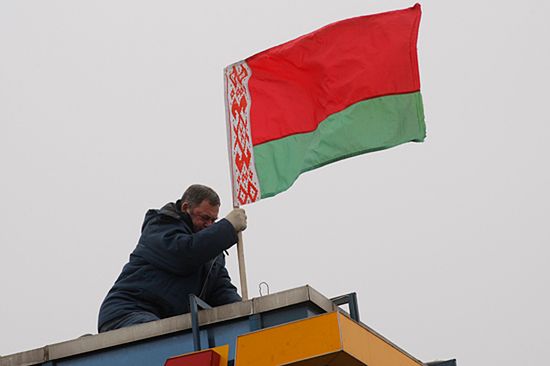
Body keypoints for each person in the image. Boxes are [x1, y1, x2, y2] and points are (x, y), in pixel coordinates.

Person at [97, 184, 247, 333]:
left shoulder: (210, 255)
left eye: (214, 221)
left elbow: (221, 291)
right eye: (204, 218)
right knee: (162, 338)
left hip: (160, 321)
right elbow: (186, 254)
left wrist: (248, 312)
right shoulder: (160, 227)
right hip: (126, 312)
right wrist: (226, 227)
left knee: (173, 339)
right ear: (185, 207)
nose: (209, 225)